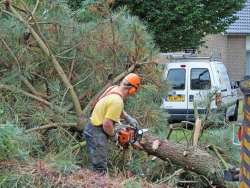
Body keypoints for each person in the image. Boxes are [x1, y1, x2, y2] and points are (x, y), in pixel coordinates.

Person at [83, 73, 141, 174]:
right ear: (132, 90)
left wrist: (127, 117)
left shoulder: (113, 89)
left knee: (95, 164)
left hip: (91, 127)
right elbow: (107, 125)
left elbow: (111, 106)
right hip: (97, 132)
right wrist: (114, 136)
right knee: (99, 169)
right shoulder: (117, 101)